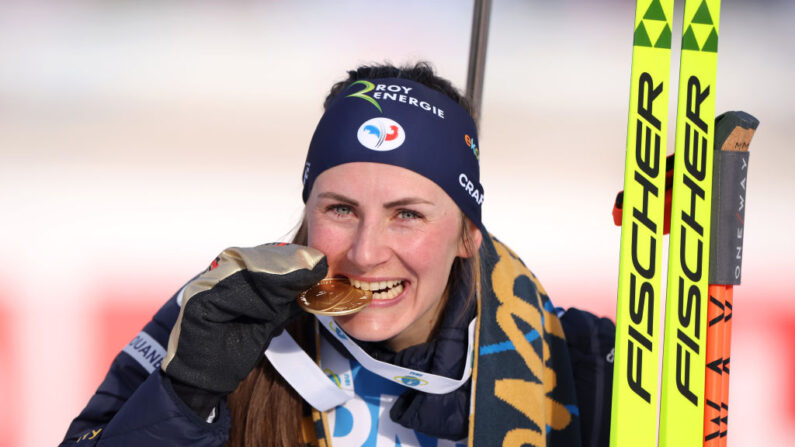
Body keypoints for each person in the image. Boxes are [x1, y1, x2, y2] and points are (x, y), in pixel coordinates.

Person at [61, 62, 612, 447]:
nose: (367, 252)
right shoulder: (225, 312)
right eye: (341, 210)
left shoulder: (575, 360)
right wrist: (186, 397)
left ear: (468, 235)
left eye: (407, 214)